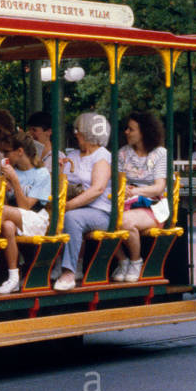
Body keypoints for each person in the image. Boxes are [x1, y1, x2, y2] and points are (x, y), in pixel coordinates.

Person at [54, 112, 113, 290]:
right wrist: (58, 170)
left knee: (72, 218)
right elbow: (62, 184)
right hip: (74, 206)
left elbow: (98, 189)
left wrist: (67, 206)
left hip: (100, 211)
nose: (75, 134)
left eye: (78, 131)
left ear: (88, 133)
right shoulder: (73, 154)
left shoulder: (102, 156)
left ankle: (69, 271)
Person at [113, 111, 169, 282]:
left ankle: (136, 261)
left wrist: (136, 191)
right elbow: (119, 182)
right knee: (104, 219)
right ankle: (122, 260)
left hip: (153, 205)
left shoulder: (160, 154)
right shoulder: (123, 153)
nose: (126, 132)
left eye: (131, 129)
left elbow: (159, 187)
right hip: (127, 201)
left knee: (124, 221)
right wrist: (124, 189)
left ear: (143, 131)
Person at [0, 130, 52, 294]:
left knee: (0, 212)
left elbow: (26, 207)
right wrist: (3, 185)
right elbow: (3, 202)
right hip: (14, 215)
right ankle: (13, 277)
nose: (4, 155)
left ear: (20, 151)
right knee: (7, 226)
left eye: (7, 152)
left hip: (35, 217)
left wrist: (16, 182)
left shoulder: (41, 174)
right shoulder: (12, 171)